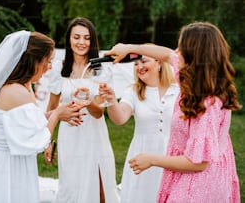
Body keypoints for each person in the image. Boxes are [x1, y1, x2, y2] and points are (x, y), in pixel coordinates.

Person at [104, 21, 242, 202]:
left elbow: (198, 162)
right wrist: (129, 47)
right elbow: (167, 54)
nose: (175, 52)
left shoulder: (208, 103)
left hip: (201, 184)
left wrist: (152, 160)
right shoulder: (191, 79)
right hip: (187, 175)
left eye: (180, 48)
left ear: (194, 56)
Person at [0, 30, 84, 203]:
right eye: (47, 61)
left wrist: (57, 112)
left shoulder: (23, 86)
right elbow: (35, 141)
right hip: (4, 169)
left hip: (14, 164)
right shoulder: (15, 92)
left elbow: (29, 121)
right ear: (33, 61)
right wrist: (56, 116)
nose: (50, 66)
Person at [46, 17, 119, 203]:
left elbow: (98, 112)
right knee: (72, 186)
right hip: (69, 135)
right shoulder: (59, 68)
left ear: (92, 40)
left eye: (87, 38)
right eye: (76, 37)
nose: (81, 42)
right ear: (69, 39)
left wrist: (87, 101)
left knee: (100, 184)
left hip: (95, 135)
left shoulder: (100, 69)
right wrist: (48, 141)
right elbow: (52, 107)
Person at [99, 55, 179, 202]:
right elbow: (120, 118)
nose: (139, 67)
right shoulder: (133, 92)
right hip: (141, 156)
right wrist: (111, 100)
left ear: (159, 62)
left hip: (172, 155)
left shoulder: (179, 89)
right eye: (135, 64)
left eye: (144, 61)